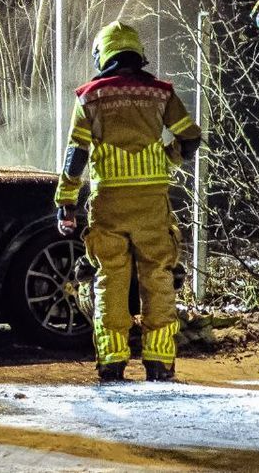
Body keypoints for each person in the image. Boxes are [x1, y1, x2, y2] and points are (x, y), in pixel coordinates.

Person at [55, 21, 201, 382]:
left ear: (103, 55)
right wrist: (168, 157)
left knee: (110, 279)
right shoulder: (160, 93)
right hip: (152, 203)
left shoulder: (90, 97)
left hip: (109, 204)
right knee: (158, 278)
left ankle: (112, 362)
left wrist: (66, 201)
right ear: (137, 53)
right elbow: (190, 137)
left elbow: (77, 154)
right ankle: (160, 363)